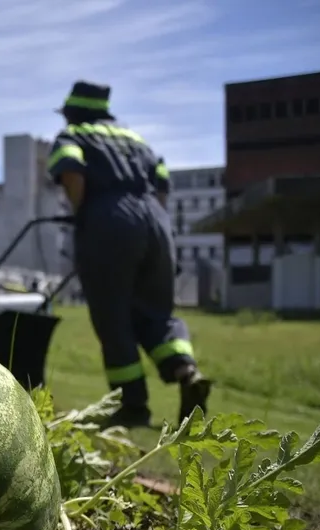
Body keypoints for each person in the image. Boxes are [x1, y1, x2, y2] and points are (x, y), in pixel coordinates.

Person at [46, 80, 211, 428]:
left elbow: (72, 172)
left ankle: (133, 406)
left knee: (113, 317)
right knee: (157, 313)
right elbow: (162, 183)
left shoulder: (73, 135)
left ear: (73, 113)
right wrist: (150, 222)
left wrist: (83, 215)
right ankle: (187, 372)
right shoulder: (134, 138)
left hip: (109, 221)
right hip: (156, 221)